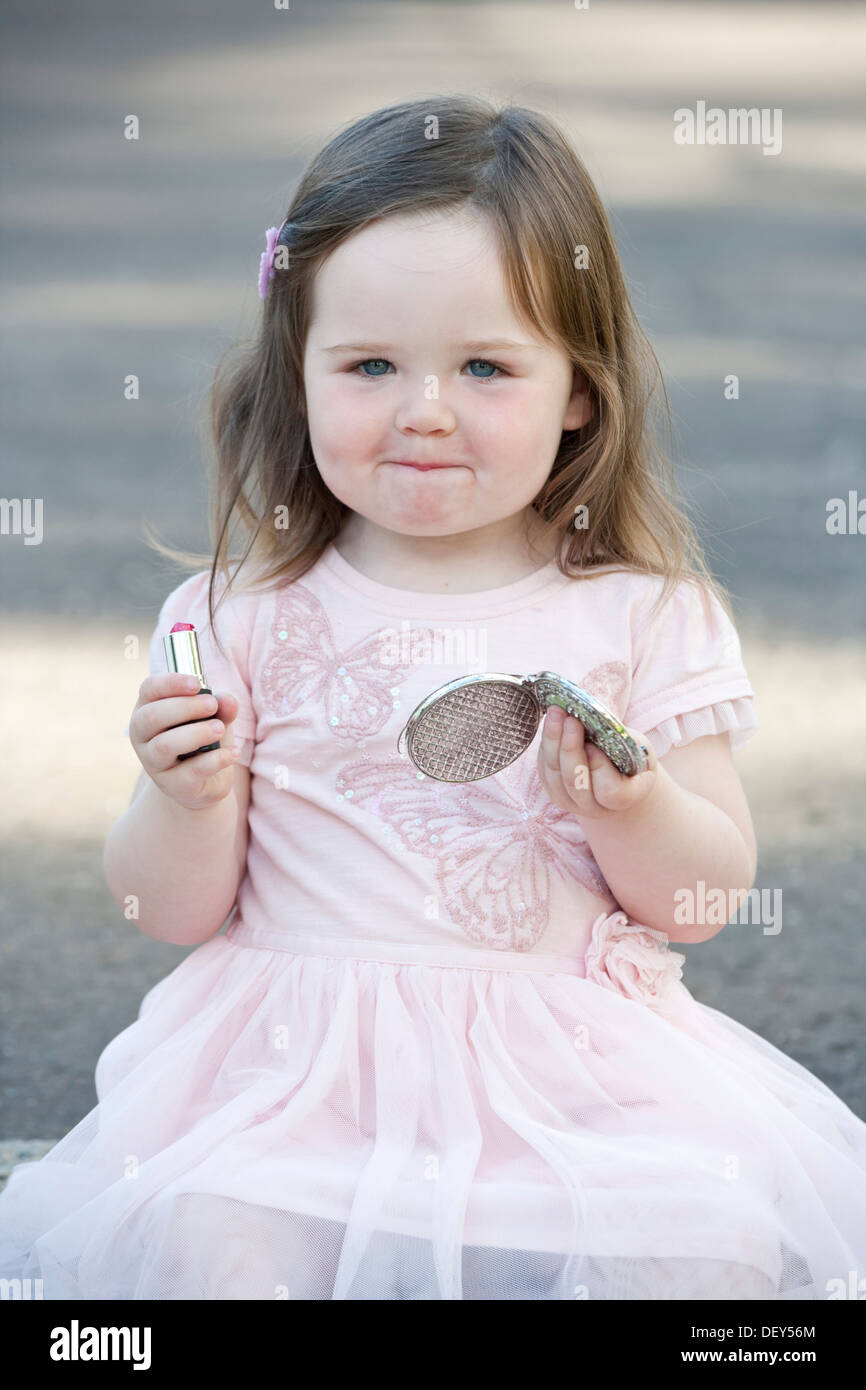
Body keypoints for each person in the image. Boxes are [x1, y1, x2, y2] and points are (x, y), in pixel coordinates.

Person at [1, 95, 864, 1301]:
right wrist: (180, 793)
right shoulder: (235, 612)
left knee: (691, 1245)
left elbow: (702, 898)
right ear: (293, 374)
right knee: (212, 1246)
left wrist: (631, 808)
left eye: (483, 366)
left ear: (577, 389)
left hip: (571, 1086)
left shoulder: (640, 613)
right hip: (291, 1088)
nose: (422, 406)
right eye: (367, 364)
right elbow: (172, 908)